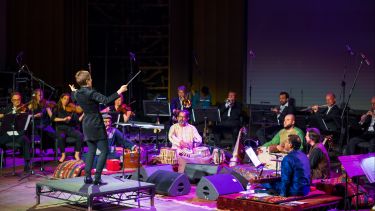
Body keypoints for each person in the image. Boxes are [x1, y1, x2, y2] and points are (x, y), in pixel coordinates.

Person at [70, 70, 128, 185]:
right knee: (105, 150)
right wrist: (120, 91)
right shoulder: (91, 93)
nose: (92, 80)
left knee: (91, 150)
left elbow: (75, 95)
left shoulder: (77, 94)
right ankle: (97, 178)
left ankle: (87, 177)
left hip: (86, 124)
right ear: (87, 81)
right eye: (90, 78)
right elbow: (106, 100)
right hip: (96, 124)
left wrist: (73, 90)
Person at [0, 92, 31, 172]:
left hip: (18, 135)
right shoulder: (7, 109)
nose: (17, 101)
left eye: (18, 100)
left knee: (25, 140)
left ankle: (27, 164)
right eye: (15, 100)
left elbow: (27, 123)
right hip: (8, 135)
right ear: (11, 100)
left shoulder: (25, 109)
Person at [52, 93, 84, 163]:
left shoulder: (71, 108)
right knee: (61, 137)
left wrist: (83, 114)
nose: (66, 100)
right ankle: (63, 155)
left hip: (69, 129)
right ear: (61, 99)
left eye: (68, 99)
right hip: (61, 128)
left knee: (80, 135)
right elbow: (53, 118)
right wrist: (63, 119)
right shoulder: (57, 108)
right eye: (65, 99)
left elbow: (77, 121)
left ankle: (76, 154)